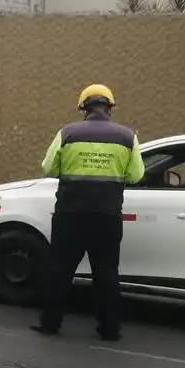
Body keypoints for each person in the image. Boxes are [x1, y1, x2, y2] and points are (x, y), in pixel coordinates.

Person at [32, 84, 145, 342]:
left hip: (69, 215)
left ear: (83, 108)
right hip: (107, 216)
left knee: (60, 270)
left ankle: (51, 324)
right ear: (110, 108)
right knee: (106, 273)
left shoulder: (67, 133)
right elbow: (136, 175)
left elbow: (49, 169)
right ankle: (109, 329)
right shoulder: (128, 136)